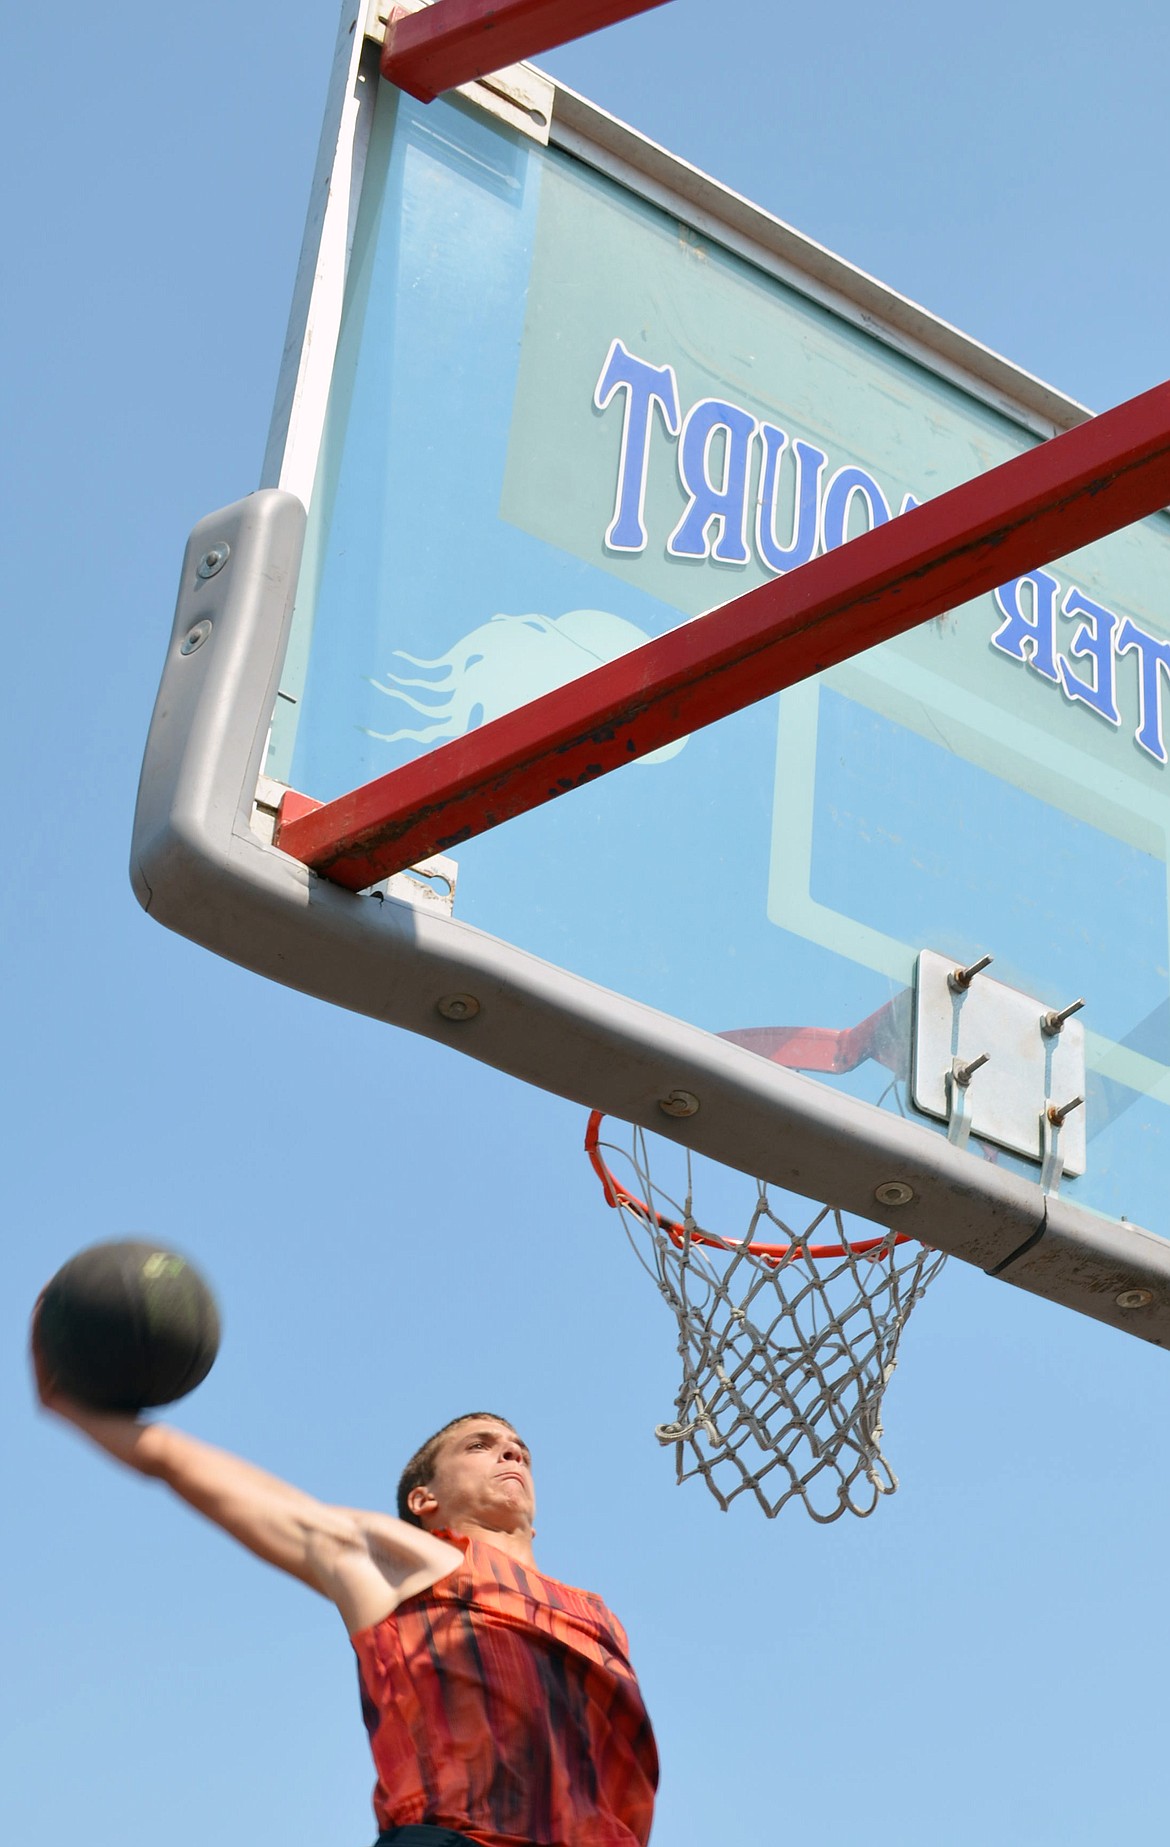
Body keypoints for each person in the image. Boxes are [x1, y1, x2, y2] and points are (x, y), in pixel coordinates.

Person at [31, 1325, 658, 1847]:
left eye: (520, 1449)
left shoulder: (597, 1615)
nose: (512, 1454)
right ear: (424, 1498)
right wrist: (87, 1412)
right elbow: (268, 1507)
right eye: (481, 1445)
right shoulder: (414, 1561)